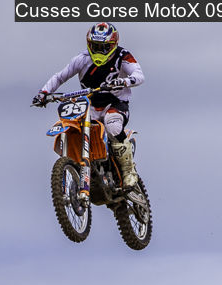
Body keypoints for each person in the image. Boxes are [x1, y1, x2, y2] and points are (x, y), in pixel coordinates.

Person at [32, 22, 144, 188]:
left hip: (115, 104)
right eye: (95, 46)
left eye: (104, 47)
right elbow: (60, 77)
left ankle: (128, 171)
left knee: (112, 125)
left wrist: (124, 81)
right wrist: (44, 93)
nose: (99, 51)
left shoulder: (123, 56)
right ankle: (74, 168)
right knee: (73, 126)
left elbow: (139, 75)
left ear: (113, 45)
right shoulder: (81, 59)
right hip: (90, 106)